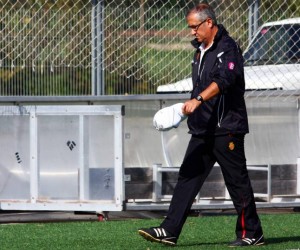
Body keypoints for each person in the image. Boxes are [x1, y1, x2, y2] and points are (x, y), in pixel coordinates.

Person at [138, 3, 264, 247]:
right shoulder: (200, 51)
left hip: (226, 126)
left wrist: (197, 100)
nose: (192, 32)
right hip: (202, 127)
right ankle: (169, 230)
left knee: (237, 182)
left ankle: (252, 233)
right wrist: (185, 110)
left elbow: (225, 80)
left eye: (195, 26)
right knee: (187, 177)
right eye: (190, 27)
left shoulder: (227, 48)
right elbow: (200, 87)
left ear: (209, 23)